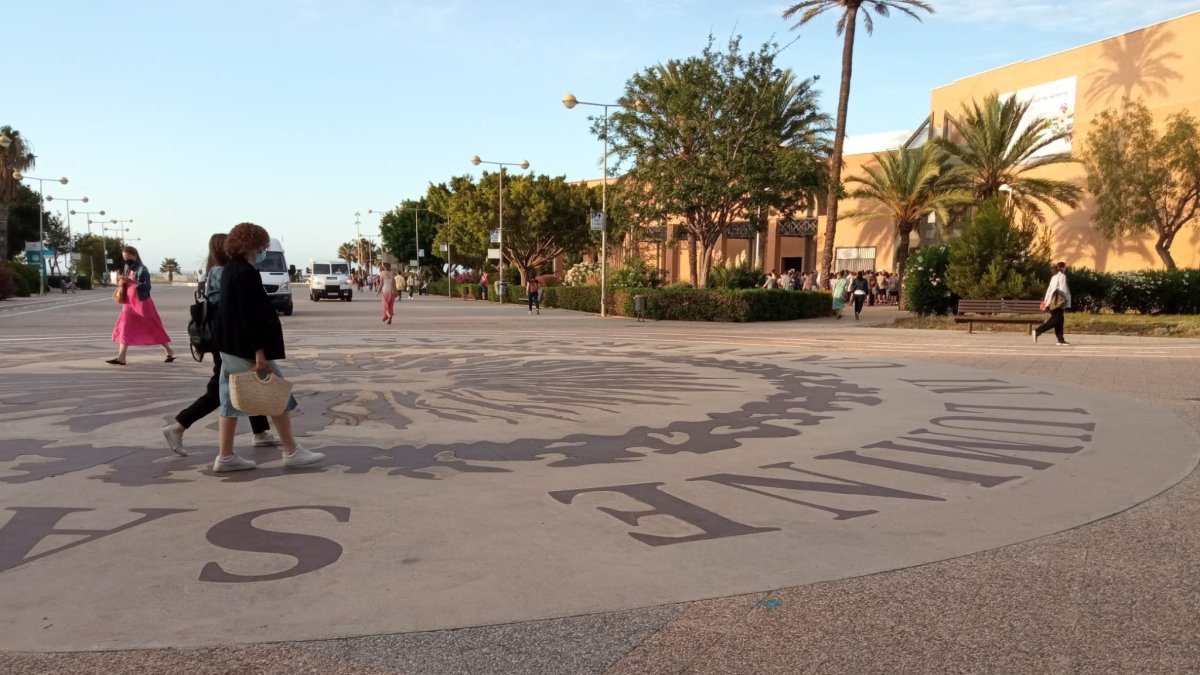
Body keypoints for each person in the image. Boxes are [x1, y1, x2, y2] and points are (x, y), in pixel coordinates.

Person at [212, 222, 324, 472]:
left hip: (230, 346)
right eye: (262, 245)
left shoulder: (230, 269)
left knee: (229, 402)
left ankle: (226, 456)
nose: (264, 249)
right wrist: (259, 353)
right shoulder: (245, 273)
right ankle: (291, 451)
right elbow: (249, 316)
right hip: (246, 349)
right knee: (277, 395)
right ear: (250, 245)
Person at [162, 234, 277, 457]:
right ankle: (179, 426)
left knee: (246, 381)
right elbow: (235, 309)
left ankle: (260, 432)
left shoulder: (214, 272)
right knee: (220, 389)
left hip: (224, 338)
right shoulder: (226, 272)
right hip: (228, 340)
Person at [108, 246, 175, 365]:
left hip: (142, 302)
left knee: (152, 326)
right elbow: (125, 283)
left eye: (128, 256)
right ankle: (121, 358)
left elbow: (147, 287)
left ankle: (169, 351)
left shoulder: (142, 269)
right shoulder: (127, 267)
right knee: (125, 326)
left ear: (134, 255)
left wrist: (134, 282)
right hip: (129, 302)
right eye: (124, 257)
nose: (126, 259)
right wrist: (122, 281)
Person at [1034, 261, 1072, 346]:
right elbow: (1062, 290)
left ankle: (1060, 340)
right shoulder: (1062, 276)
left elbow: (1049, 290)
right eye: (1065, 267)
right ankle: (1038, 331)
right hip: (1058, 302)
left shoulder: (1054, 277)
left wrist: (1046, 301)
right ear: (1062, 268)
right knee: (1056, 320)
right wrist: (1065, 300)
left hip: (1052, 301)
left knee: (1060, 321)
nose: (1066, 268)